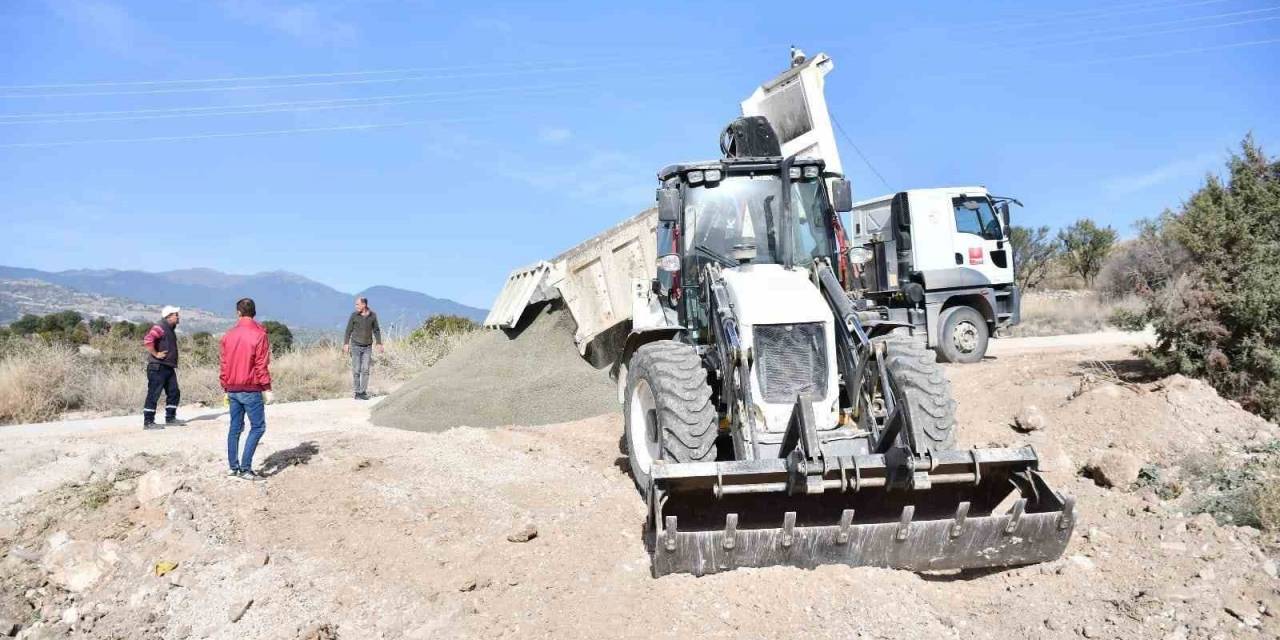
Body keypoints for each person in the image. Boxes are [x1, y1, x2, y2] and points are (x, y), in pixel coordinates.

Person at [220, 298, 273, 480]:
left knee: (235, 427)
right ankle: (245, 468)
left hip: (232, 387)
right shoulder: (260, 334)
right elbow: (261, 364)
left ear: (238, 313)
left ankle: (233, 467)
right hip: (251, 388)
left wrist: (225, 386)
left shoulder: (228, 335)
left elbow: (224, 364)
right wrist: (266, 387)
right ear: (254, 312)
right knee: (258, 427)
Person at [142, 306, 183, 430]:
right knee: (154, 394)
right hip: (158, 367)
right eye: (176, 314)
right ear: (169, 316)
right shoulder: (160, 327)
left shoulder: (170, 328)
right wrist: (156, 354)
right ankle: (148, 421)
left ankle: (170, 417)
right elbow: (148, 340)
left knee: (174, 392)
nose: (178, 317)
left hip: (168, 367)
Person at [342, 297, 383, 400]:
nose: (356, 306)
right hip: (355, 345)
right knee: (356, 369)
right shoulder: (354, 315)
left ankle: (363, 392)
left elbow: (376, 330)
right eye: (356, 304)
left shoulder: (372, 316)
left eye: (357, 304)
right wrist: (346, 343)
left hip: (367, 346)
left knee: (365, 369)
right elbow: (348, 330)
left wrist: (379, 343)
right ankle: (357, 392)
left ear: (364, 305)